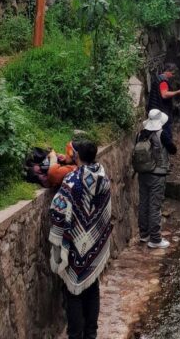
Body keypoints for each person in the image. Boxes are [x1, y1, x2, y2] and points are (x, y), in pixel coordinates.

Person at [49, 138, 112, 339]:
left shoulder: (71, 181)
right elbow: (103, 212)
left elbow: (58, 211)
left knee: (74, 291)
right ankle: (91, 334)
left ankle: (75, 335)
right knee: (92, 287)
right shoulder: (103, 178)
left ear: (76, 155)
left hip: (74, 244)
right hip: (94, 242)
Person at [133, 107, 176, 249]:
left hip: (142, 174)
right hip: (157, 175)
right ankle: (156, 239)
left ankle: (144, 235)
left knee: (144, 204)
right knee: (155, 206)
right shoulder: (161, 134)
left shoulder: (140, 134)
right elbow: (173, 149)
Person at [147, 63, 180, 143]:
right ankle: (167, 148)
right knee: (166, 129)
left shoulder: (158, 78)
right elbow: (164, 95)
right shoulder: (163, 81)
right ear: (167, 72)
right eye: (172, 73)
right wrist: (177, 92)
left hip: (155, 108)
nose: (173, 75)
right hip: (160, 109)